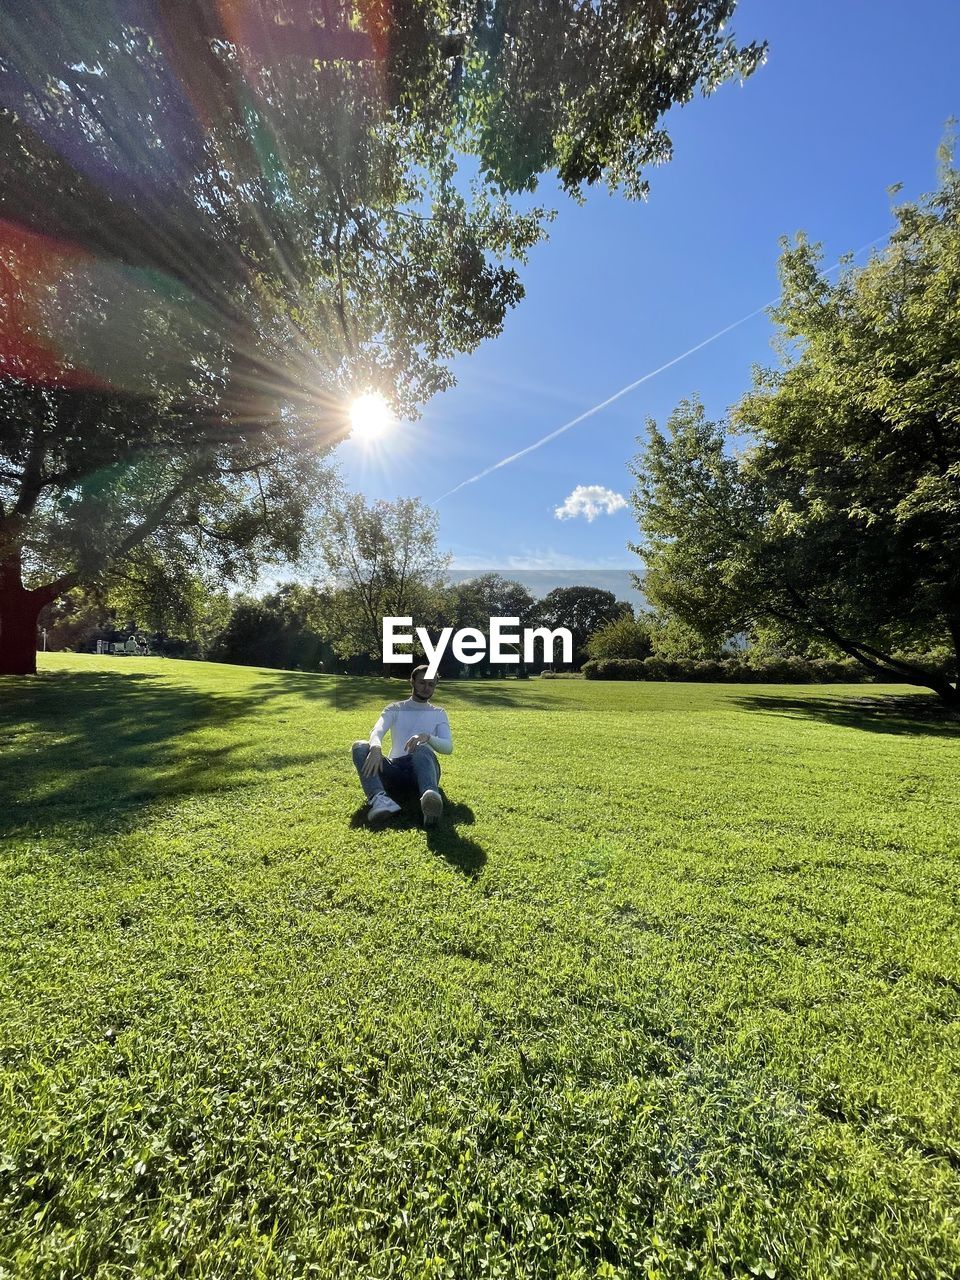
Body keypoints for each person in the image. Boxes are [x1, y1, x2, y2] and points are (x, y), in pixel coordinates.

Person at [351, 665, 453, 827]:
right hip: (395, 770)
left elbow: (448, 747)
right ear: (411, 682)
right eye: (422, 682)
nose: (426, 688)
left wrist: (427, 737)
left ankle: (430, 797)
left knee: (421, 747)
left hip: (423, 769)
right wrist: (376, 747)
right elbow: (378, 730)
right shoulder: (395, 708)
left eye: (431, 684)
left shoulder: (439, 713)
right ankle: (380, 800)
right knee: (360, 746)